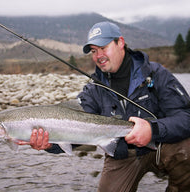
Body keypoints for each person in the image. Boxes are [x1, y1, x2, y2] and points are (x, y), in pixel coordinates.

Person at [25, 21, 190, 191]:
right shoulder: (93, 90)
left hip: (162, 145)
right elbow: (75, 131)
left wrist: (152, 130)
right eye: (94, 51)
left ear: (120, 43)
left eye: (104, 47)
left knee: (187, 148)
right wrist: (50, 144)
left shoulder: (156, 73)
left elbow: (186, 118)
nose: (99, 56)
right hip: (121, 155)